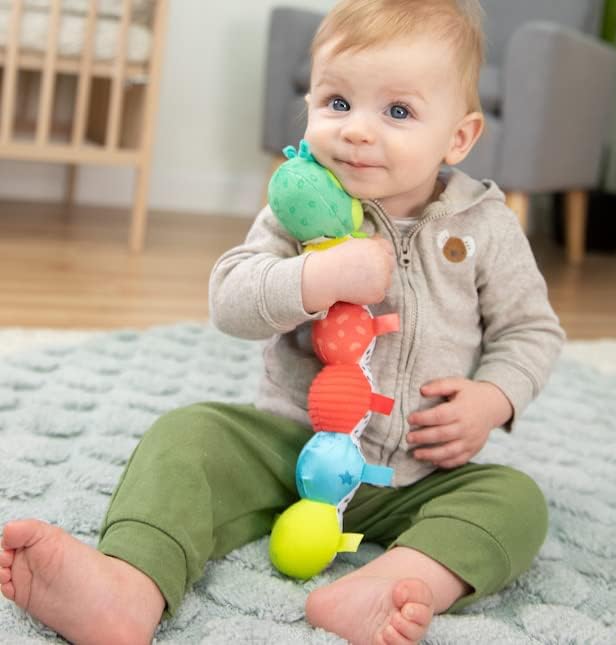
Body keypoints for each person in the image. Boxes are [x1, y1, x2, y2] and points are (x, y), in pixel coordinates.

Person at [0, 1, 565, 643]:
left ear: (458, 138)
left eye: (398, 112)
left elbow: (531, 331)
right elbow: (230, 298)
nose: (355, 131)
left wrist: (493, 400)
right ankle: (128, 585)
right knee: (188, 436)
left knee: (516, 502)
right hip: (286, 448)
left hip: (418, 472)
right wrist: (313, 279)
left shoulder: (484, 226)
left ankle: (395, 583)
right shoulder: (301, 205)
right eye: (337, 102)